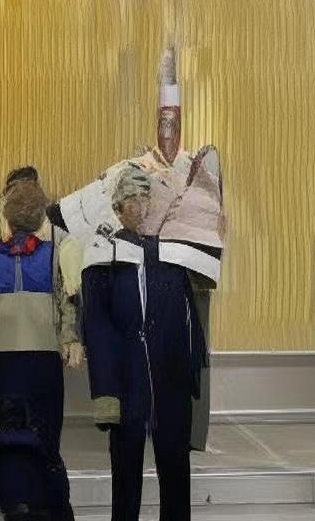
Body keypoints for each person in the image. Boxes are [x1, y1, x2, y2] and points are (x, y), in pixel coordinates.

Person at [57, 46, 225, 521]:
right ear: (118, 205)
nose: (140, 207)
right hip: (129, 385)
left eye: (144, 199)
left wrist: (192, 373)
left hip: (169, 383)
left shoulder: (171, 258)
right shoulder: (106, 257)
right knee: (126, 477)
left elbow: (190, 320)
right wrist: (105, 391)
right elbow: (99, 327)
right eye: (132, 200)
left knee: (175, 472)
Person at [0, 178, 84, 521]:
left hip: (2, 365)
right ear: (40, 217)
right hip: (44, 363)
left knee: (7, 442)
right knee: (46, 440)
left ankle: (18, 509)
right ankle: (53, 509)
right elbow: (69, 300)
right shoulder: (57, 250)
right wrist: (69, 340)